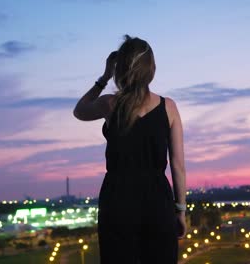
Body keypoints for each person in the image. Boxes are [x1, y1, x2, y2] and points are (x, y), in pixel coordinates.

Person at [73, 34, 187, 264]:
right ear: (151, 69)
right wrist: (180, 210)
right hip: (157, 200)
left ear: (120, 70)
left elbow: (79, 110)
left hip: (118, 199)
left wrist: (103, 78)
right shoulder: (169, 107)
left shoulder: (110, 104)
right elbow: (177, 165)